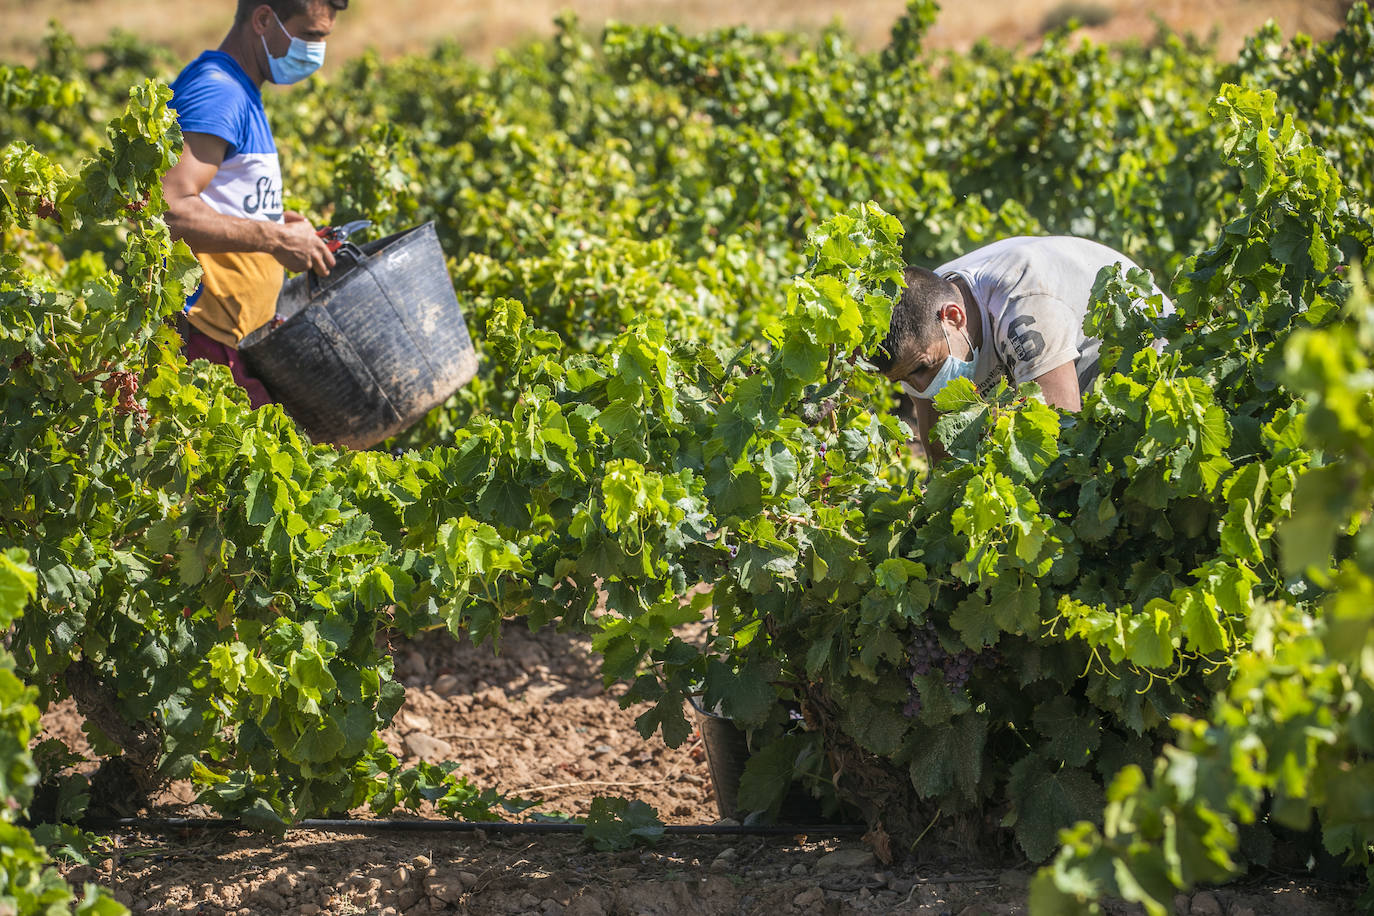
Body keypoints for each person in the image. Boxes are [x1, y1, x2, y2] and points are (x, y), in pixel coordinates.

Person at [163, 0, 348, 407]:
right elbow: (170, 210)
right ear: (264, 20)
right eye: (311, 36)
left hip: (234, 341)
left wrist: (279, 223)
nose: (316, 51)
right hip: (205, 342)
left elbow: (216, 197)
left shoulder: (240, 90)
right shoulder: (219, 91)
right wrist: (274, 238)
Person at [871, 236, 1171, 461]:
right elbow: (943, 453)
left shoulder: (1021, 300)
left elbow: (1060, 435)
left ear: (954, 317)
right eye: (906, 381)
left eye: (923, 369)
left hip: (1144, 359)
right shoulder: (918, 333)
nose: (922, 386)